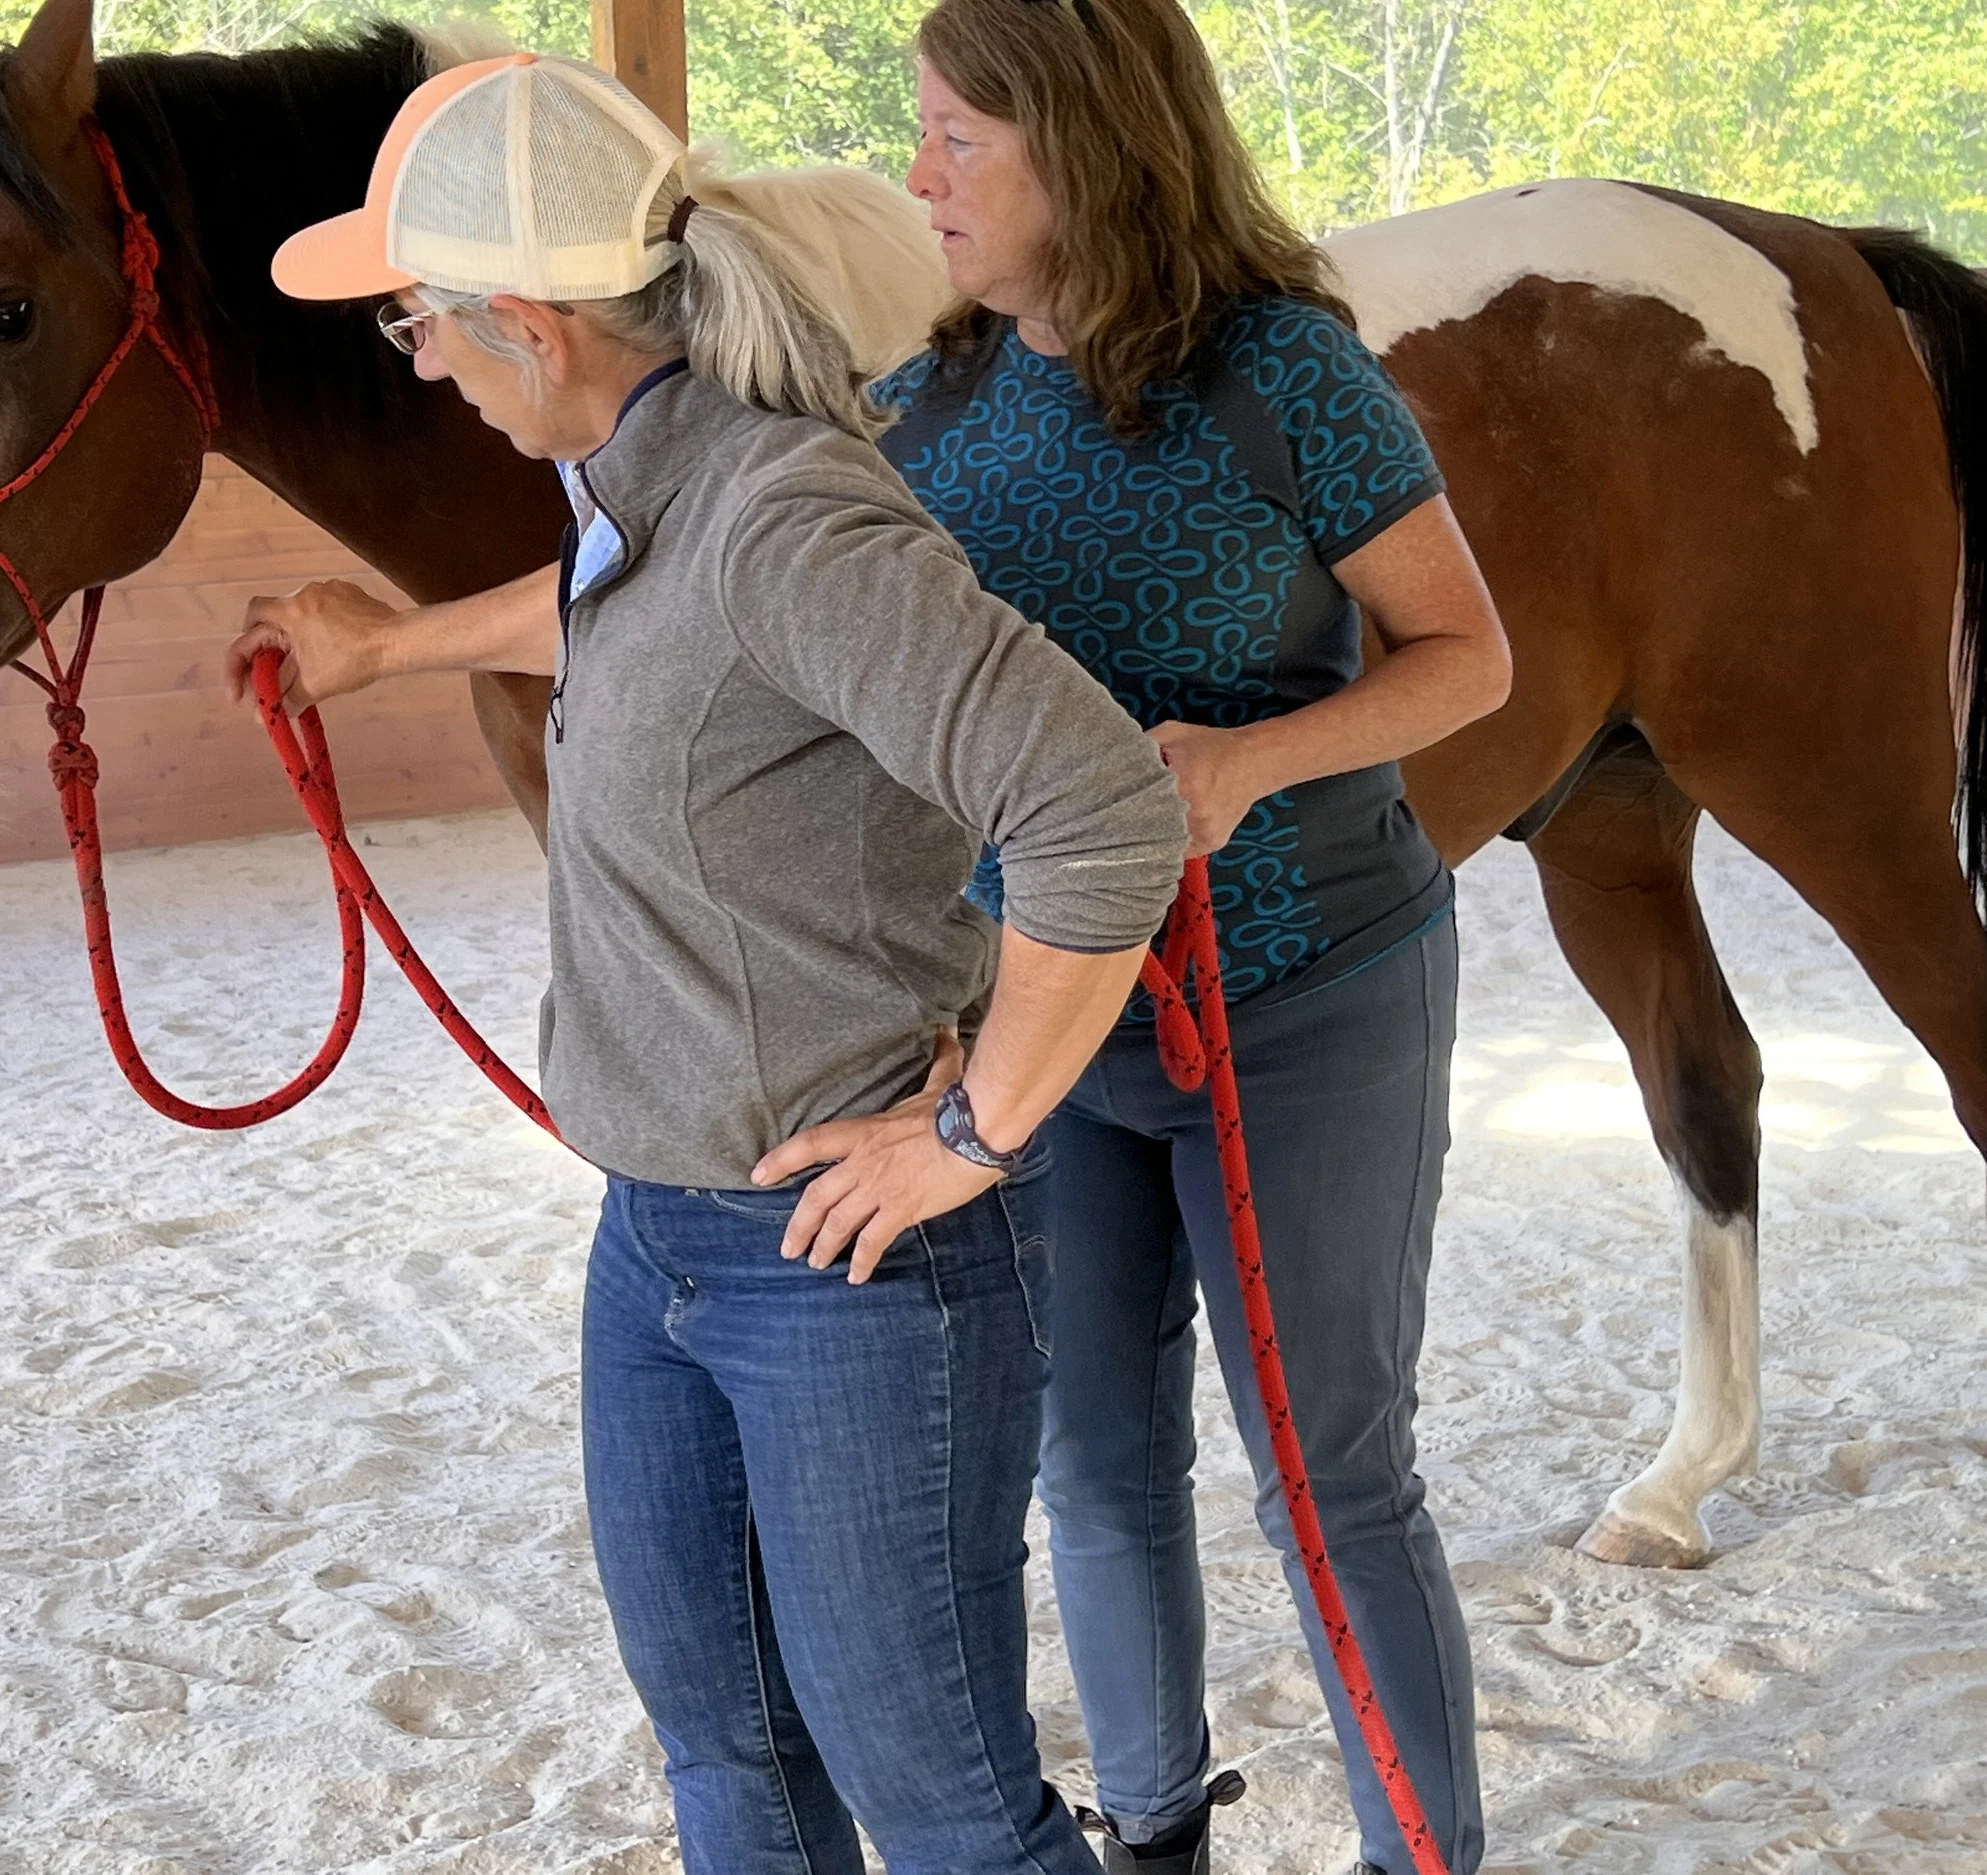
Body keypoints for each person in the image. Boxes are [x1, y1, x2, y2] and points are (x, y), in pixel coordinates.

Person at [233, 52, 1189, 1875]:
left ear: (528, 326)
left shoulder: (787, 514)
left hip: (843, 1264)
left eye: (423, 326)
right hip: (655, 1233)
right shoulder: (634, 482)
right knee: (729, 1767)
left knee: (952, 1816)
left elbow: (1103, 816)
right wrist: (389, 650)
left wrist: (974, 1134)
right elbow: (629, 607)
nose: (419, 361)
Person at [872, 3, 1515, 1871]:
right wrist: (396, 643)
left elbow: (1469, 660)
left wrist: (1247, 760)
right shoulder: (925, 406)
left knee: (1331, 1473)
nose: (919, 177)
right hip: (1048, 1017)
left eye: (955, 139)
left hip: (1311, 990)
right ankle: (1155, 1830)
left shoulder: (1285, 369)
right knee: (1096, 1458)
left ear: (1081, 143)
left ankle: (1424, 1852)